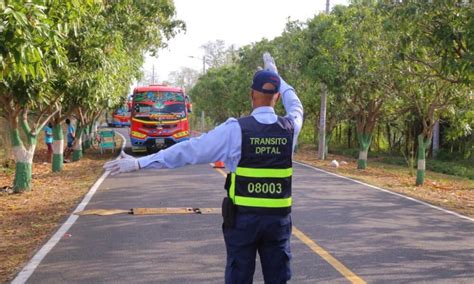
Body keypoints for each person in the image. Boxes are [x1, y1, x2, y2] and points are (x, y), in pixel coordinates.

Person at [104, 53, 303, 284]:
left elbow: (188, 151)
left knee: (239, 277)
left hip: (243, 222)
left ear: (251, 94)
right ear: (277, 98)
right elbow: (296, 104)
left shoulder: (235, 130)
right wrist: (279, 77)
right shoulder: (291, 128)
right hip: (277, 223)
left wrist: (139, 162)